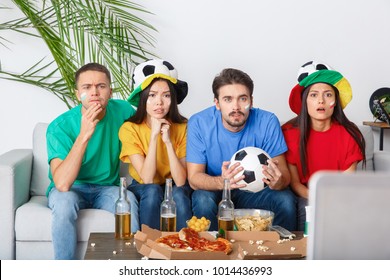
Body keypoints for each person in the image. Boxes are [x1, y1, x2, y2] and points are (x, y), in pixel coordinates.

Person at [46, 62, 139, 259]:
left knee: (128, 201)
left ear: (110, 92)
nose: (95, 92)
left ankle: (128, 268)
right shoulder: (59, 127)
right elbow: (62, 184)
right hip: (72, 188)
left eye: (101, 86)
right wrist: (84, 135)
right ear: (77, 94)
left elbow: (149, 121)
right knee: (63, 203)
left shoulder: (124, 112)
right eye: (87, 87)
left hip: (107, 187)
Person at [186, 68, 297, 231]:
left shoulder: (267, 121)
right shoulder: (199, 123)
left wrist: (278, 181)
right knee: (202, 199)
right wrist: (223, 182)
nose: (236, 107)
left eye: (242, 99)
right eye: (227, 99)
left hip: (255, 192)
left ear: (251, 101)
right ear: (217, 103)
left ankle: (280, 250)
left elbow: (285, 176)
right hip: (216, 190)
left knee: (285, 200)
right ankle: (213, 251)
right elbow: (194, 178)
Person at [282, 61, 366, 230]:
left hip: (339, 195)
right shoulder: (289, 133)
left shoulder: (350, 135)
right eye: (313, 95)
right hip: (305, 195)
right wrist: (315, 197)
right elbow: (295, 183)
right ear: (305, 101)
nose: (321, 100)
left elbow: (346, 183)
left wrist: (332, 200)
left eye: (328, 94)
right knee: (308, 209)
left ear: (335, 101)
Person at [119, 59, 193, 230]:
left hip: (173, 183)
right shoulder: (129, 129)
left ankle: (184, 249)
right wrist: (154, 137)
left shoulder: (183, 127)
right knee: (153, 191)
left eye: (166, 95)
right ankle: (149, 249)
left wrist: (167, 142)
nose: (159, 102)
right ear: (143, 98)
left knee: (180, 195)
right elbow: (147, 179)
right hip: (143, 187)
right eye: (152, 95)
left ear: (172, 99)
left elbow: (181, 181)